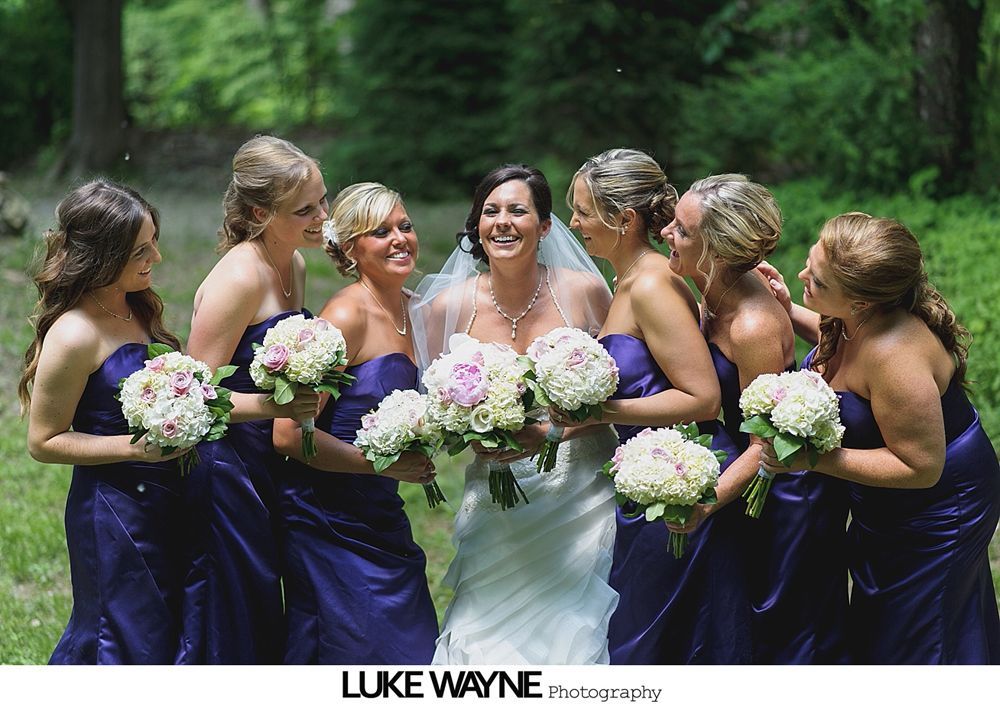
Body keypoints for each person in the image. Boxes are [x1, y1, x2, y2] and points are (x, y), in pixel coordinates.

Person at [760, 212, 1000, 664]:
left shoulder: (896, 358)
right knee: (891, 619)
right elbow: (845, 348)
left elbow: (921, 467)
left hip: (938, 507)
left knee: (919, 632)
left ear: (862, 303)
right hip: (889, 505)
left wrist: (814, 459)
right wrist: (787, 307)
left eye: (819, 280)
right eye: (811, 261)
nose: (801, 274)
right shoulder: (863, 320)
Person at [410, 164, 619, 665]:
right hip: (496, 499)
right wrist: (468, 432)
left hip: (581, 494)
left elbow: (621, 387)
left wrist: (556, 429)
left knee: (576, 630)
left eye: (518, 210)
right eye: (490, 211)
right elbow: (434, 406)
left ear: (545, 226)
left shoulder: (585, 291)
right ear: (477, 226)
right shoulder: (449, 306)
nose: (502, 222)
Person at [559, 149, 747, 664]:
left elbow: (701, 397)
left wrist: (599, 414)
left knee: (653, 639)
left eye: (581, 211)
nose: (572, 223)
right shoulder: (630, 280)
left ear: (624, 219)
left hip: (683, 476)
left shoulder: (651, 286)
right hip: (648, 471)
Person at [665, 174, 849, 663]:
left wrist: (703, 503)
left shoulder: (751, 327)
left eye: (682, 231)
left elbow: (761, 445)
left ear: (718, 252)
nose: (666, 233)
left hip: (785, 490)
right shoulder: (713, 287)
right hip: (752, 479)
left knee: (785, 626)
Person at [20, 180, 187, 663]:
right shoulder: (74, 333)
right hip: (115, 511)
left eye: (154, 241)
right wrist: (135, 450)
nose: (155, 257)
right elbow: (44, 441)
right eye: (141, 249)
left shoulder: (136, 305)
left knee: (165, 628)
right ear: (102, 255)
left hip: (168, 498)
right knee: (120, 633)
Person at [272, 182, 439, 664]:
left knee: (409, 646)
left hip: (380, 512)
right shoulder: (345, 315)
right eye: (380, 232)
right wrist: (379, 465)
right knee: (362, 648)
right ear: (350, 248)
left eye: (404, 226)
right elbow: (288, 434)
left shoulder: (419, 310)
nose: (399, 239)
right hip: (327, 516)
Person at [176, 135, 322, 664]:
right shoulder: (238, 278)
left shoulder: (295, 266)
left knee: (269, 592)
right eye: (305, 209)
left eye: (322, 200)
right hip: (227, 469)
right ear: (260, 212)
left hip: (273, 458)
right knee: (238, 598)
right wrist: (276, 408)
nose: (322, 216)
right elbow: (192, 397)